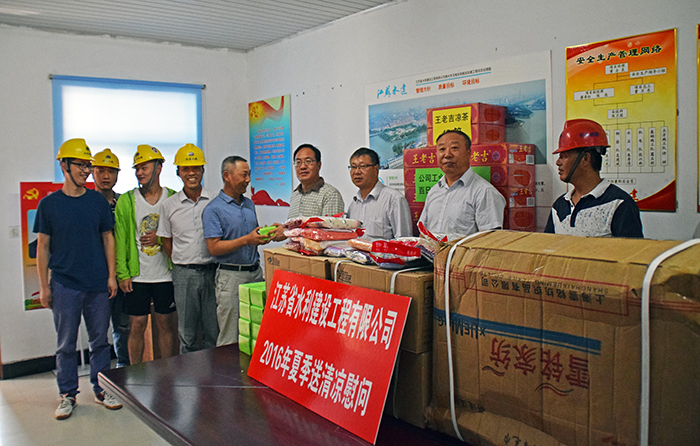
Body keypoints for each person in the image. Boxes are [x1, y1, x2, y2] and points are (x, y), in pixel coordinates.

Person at [35, 138, 122, 420]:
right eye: (80, 165)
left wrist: (111, 276)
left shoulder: (97, 201)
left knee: (100, 342)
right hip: (64, 284)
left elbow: (108, 238)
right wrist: (44, 286)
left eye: (87, 165)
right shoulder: (49, 205)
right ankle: (68, 394)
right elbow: (42, 247)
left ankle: (102, 389)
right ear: (64, 166)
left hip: (97, 283)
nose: (86, 171)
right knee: (66, 345)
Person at [114, 145, 177, 365]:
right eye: (137, 169)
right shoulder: (126, 200)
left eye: (144, 167)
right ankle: (135, 372)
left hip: (165, 275)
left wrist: (159, 238)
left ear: (158, 168)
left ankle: (169, 371)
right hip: (137, 276)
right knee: (137, 325)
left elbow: (180, 234)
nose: (139, 172)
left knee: (165, 325)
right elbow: (120, 239)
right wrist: (122, 273)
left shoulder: (172, 198)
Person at [202, 156, 270, 346]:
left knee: (257, 331)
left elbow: (251, 236)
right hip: (231, 278)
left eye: (249, 175)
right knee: (230, 336)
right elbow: (213, 247)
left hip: (255, 274)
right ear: (227, 176)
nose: (248, 180)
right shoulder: (213, 209)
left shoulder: (249, 204)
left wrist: (266, 234)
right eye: (244, 175)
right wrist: (247, 240)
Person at [157, 144, 218, 353]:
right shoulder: (168, 205)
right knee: (187, 334)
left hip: (212, 272)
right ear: (178, 172)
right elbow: (166, 241)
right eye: (185, 169)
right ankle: (190, 373)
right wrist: (182, 261)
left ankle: (214, 372)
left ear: (203, 170)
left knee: (213, 331)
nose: (191, 173)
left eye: (196, 168)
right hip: (183, 274)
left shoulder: (215, 200)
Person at [544, 119, 643, 237]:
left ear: (585, 158)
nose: (558, 162)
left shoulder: (619, 204)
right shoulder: (559, 206)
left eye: (564, 156)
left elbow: (633, 249)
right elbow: (548, 246)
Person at [419, 129, 506, 240]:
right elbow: (423, 233)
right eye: (442, 149)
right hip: (431, 252)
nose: (447, 154)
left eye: (454, 148)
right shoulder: (434, 191)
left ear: (469, 153)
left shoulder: (484, 192)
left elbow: (490, 240)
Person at [92, 149, 130, 368]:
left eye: (111, 171)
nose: (106, 176)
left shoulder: (124, 202)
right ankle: (100, 376)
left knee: (123, 327)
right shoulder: (86, 202)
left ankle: (122, 369)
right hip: (97, 276)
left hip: (123, 274)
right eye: (101, 171)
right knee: (98, 330)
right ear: (92, 172)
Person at [346, 147, 412, 239]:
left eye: (363, 166)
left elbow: (404, 241)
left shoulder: (394, 199)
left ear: (376, 169)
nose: (357, 172)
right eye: (353, 167)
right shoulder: (354, 204)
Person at [288, 143, 344, 218]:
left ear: (319, 165)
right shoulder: (295, 195)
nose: (302, 166)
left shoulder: (330, 195)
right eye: (298, 162)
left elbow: (331, 225)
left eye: (308, 161)